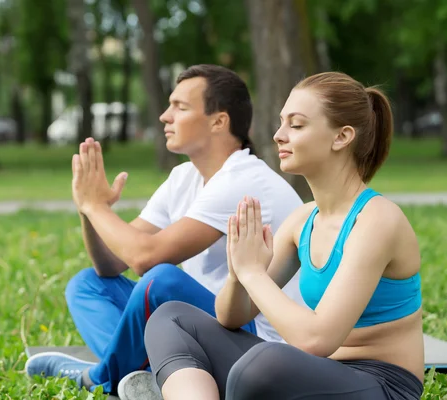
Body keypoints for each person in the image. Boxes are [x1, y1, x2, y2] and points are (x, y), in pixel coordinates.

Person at [24, 64, 305, 397]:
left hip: (255, 335)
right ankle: (144, 376)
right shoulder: (183, 177)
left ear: (219, 121)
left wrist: (96, 207)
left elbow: (145, 258)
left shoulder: (242, 180)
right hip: (198, 321)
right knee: (88, 285)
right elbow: (111, 264)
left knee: (161, 280)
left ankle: (96, 376)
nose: (164, 116)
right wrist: (89, 210)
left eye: (180, 107)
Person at [144, 71, 425, 400]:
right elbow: (231, 316)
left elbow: (317, 339)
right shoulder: (303, 219)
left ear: (342, 137)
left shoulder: (377, 220)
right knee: (171, 318)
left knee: (265, 364)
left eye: (297, 124)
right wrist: (240, 274)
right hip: (313, 374)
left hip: (382, 386)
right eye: (281, 123)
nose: (279, 135)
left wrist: (253, 274)